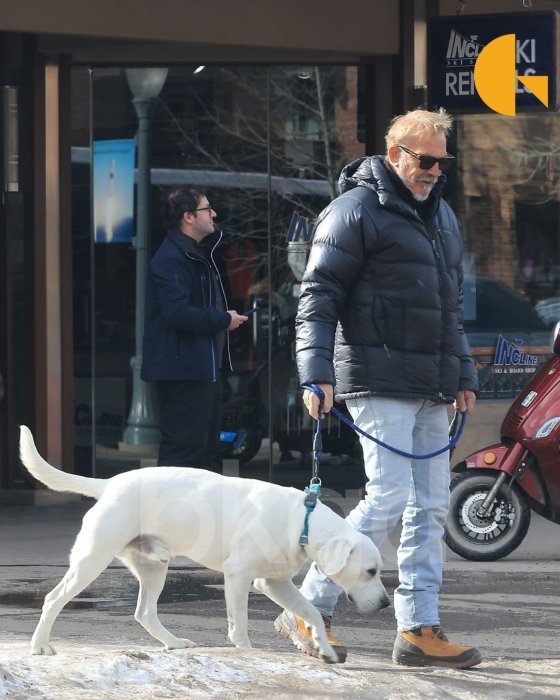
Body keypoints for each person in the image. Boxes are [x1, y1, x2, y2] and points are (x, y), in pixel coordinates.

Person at [274, 108, 481, 668]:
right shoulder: (354, 209)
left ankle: (418, 628)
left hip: (431, 384)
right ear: (394, 154)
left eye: (443, 161)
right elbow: (317, 294)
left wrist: (463, 373)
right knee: (387, 496)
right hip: (375, 376)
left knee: (432, 505)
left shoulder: (441, 218)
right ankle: (306, 606)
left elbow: (449, 307)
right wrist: (314, 373)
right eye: (425, 159)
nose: (435, 170)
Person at [141, 186, 248, 468]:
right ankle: (168, 513)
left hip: (199, 370)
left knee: (205, 453)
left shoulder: (192, 253)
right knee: (184, 454)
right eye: (207, 208)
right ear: (188, 216)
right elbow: (177, 314)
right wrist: (223, 319)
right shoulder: (172, 258)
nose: (214, 214)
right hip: (182, 372)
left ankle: (198, 513)